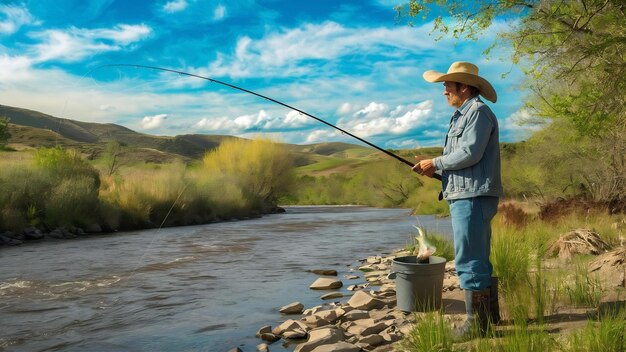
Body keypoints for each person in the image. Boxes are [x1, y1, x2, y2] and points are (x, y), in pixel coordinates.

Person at [412, 61, 503, 336]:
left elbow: (470, 154)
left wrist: (435, 163)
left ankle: (476, 326)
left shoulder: (478, 112)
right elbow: (467, 161)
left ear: (463, 86)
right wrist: (435, 170)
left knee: (469, 261)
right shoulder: (463, 115)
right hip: (466, 194)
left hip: (473, 197)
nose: (444, 92)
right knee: (478, 259)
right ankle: (490, 319)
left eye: (446, 86)